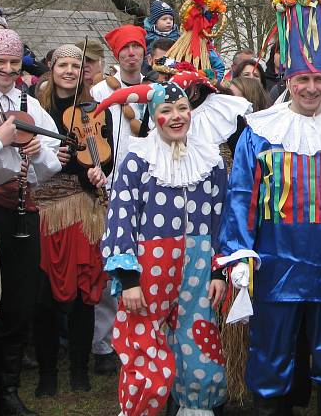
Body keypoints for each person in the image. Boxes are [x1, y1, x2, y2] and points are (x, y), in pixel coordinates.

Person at [220, 0, 321, 416]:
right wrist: (239, 254)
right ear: (288, 80)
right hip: (274, 269)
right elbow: (241, 194)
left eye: (318, 79)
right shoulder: (259, 130)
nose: (311, 89)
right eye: (303, 80)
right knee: (270, 363)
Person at [97, 80, 228, 416]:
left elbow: (221, 220)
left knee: (199, 336)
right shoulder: (138, 160)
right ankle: (142, 407)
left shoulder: (211, 161)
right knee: (143, 340)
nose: (175, 116)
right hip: (149, 264)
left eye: (182, 109)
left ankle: (196, 406)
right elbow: (121, 219)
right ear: (153, 116)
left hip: (198, 264)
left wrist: (218, 270)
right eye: (166, 110)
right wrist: (127, 279)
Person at [0, 28, 62, 416]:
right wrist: (1, 138)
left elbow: (50, 165)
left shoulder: (27, 101)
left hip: (20, 209)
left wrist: (37, 151)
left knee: (18, 302)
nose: (7, 69)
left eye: (14, 62)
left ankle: (8, 394)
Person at [32, 44, 112, 397]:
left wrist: (98, 172)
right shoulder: (37, 107)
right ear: (51, 67)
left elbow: (104, 153)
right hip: (46, 208)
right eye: (62, 64)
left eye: (75, 65)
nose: (68, 70)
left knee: (85, 291)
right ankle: (48, 372)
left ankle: (80, 369)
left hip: (83, 206)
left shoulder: (96, 109)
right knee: (45, 294)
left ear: (85, 71)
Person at [89, 23, 147, 376]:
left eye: (136, 48)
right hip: (109, 186)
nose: (130, 54)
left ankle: (140, 335)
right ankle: (104, 344)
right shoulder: (99, 91)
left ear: (143, 52)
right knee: (111, 263)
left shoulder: (153, 89)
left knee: (140, 265)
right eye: (124, 49)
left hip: (148, 189)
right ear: (117, 54)